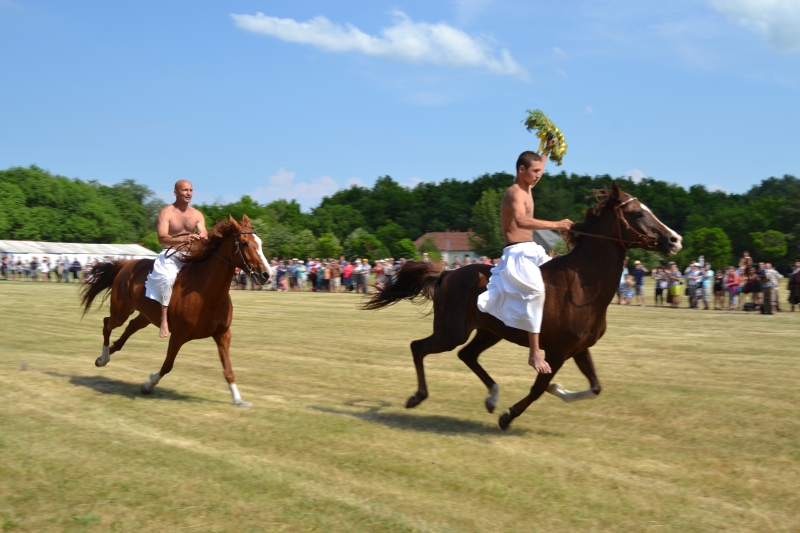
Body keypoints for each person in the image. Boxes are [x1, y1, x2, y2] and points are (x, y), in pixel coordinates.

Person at [476, 150, 573, 374]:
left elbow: (538, 164)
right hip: (516, 254)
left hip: (533, 251)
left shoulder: (528, 186)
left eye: (541, 170)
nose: (540, 175)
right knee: (536, 290)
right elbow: (521, 220)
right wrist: (557, 225)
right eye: (535, 171)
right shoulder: (515, 193)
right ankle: (535, 353)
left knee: (562, 277)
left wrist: (548, 147)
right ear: (521, 170)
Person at [145, 180, 208, 338]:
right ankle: (164, 319)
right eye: (185, 190)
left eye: (191, 190)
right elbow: (162, 238)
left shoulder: (197, 214)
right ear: (175, 193)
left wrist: (202, 238)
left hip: (191, 256)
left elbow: (205, 235)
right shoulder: (166, 212)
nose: (188, 193)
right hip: (170, 255)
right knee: (168, 278)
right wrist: (183, 240)